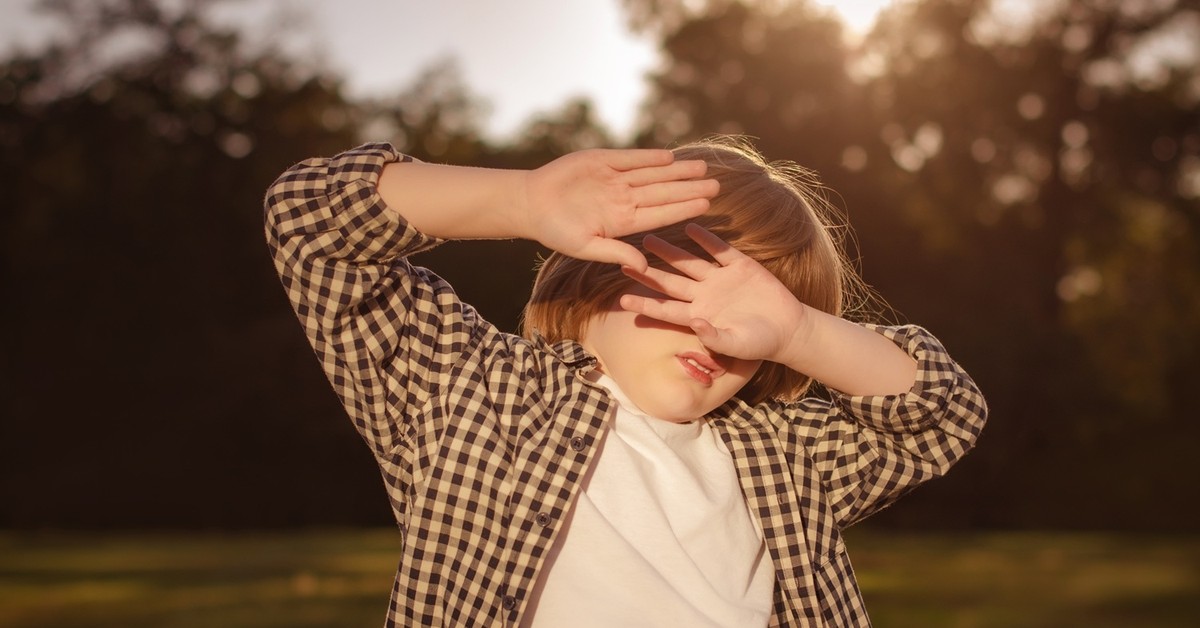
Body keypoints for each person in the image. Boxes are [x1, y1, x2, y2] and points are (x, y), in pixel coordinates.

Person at [264, 136, 987, 627]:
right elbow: (307, 222)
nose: (717, 332)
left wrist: (801, 332)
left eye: (748, 321)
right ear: (602, 267)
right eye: (692, 290)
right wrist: (520, 202)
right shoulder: (475, 392)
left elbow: (941, 416)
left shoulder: (785, 454)